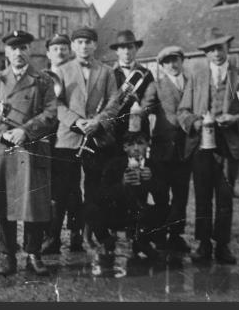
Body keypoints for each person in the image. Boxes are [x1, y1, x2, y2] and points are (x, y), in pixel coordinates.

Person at [178, 27, 239, 264]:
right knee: (203, 196)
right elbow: (183, 111)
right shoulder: (196, 77)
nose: (216, 53)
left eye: (220, 48)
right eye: (211, 49)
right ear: (206, 53)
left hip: (229, 148)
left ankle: (222, 245)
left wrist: (234, 119)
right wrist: (197, 122)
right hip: (201, 146)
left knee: (225, 197)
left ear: (228, 48)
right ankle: (203, 244)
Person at [0, 30, 57, 276]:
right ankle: (7, 254)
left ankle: (33, 253)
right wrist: (2, 133)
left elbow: (52, 113)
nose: (18, 53)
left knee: (33, 204)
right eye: (13, 48)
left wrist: (26, 131)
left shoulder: (43, 80)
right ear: (7, 53)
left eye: (23, 48)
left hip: (31, 147)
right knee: (4, 204)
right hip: (4, 149)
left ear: (29, 50)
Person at [50, 26, 119, 256]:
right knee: (63, 192)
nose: (83, 46)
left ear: (95, 45)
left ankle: (81, 236)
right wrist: (77, 122)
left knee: (92, 191)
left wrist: (98, 122)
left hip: (95, 140)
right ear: (73, 46)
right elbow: (55, 104)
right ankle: (53, 239)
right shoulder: (61, 70)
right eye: (79, 42)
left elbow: (114, 103)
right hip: (67, 139)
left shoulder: (107, 72)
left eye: (88, 42)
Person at [140, 46, 192, 252]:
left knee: (181, 195)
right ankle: (160, 233)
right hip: (163, 150)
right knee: (161, 194)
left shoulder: (192, 84)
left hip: (186, 148)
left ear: (182, 61)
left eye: (176, 60)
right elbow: (144, 108)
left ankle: (176, 235)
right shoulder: (157, 85)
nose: (173, 64)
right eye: (168, 61)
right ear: (162, 66)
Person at [93, 129, 163, 276]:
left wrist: (151, 181)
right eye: (131, 144)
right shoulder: (115, 164)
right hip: (119, 213)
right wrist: (122, 184)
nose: (136, 148)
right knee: (92, 208)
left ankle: (143, 242)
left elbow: (163, 196)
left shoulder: (153, 165)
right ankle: (107, 240)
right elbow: (101, 195)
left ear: (147, 145)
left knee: (164, 210)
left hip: (143, 215)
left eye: (140, 143)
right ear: (124, 147)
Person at [40, 33, 84, 254]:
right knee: (52, 192)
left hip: (69, 138)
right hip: (47, 140)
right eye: (55, 48)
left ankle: (76, 234)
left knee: (72, 189)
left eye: (64, 48)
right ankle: (52, 236)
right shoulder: (41, 76)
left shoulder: (77, 75)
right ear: (48, 53)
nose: (60, 52)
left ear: (70, 51)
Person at [109, 30, 155, 155]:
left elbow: (150, 99)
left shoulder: (146, 74)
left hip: (139, 127)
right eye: (122, 48)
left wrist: (141, 111)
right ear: (117, 51)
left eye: (130, 47)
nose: (127, 51)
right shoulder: (109, 73)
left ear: (136, 49)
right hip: (115, 127)